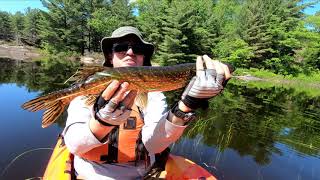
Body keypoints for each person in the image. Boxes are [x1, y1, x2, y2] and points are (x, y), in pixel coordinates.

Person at [62, 26, 231, 179]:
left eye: (138, 49)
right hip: (89, 174)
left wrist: (187, 106)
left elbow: (153, 145)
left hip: (140, 176)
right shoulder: (90, 88)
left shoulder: (154, 95)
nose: (130, 52)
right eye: (121, 47)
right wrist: (102, 122)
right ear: (110, 55)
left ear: (144, 57)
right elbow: (74, 145)